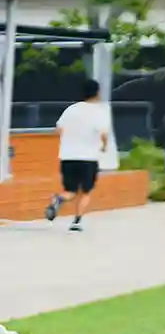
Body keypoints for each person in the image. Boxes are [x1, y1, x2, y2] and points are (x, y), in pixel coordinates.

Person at [45, 79, 113, 231]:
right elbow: (103, 134)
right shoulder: (99, 111)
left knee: (70, 190)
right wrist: (104, 147)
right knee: (85, 191)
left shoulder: (71, 109)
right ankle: (76, 221)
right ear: (97, 93)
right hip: (88, 157)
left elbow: (58, 130)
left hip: (67, 157)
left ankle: (59, 198)